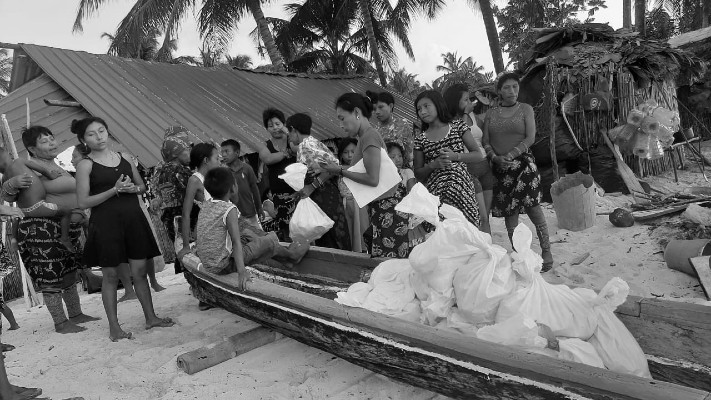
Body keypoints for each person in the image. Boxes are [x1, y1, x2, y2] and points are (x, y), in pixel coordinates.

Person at [73, 117, 173, 341]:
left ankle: (151, 317)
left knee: (139, 272)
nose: (99, 137)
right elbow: (83, 202)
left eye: (102, 131)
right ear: (83, 140)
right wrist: (114, 190)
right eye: (92, 134)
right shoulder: (85, 165)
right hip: (106, 225)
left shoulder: (125, 157)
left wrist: (130, 188)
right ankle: (114, 328)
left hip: (133, 221)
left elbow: (142, 187)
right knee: (110, 276)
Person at [1, 126, 98, 334]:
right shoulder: (29, 168)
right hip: (41, 229)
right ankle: (61, 323)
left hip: (67, 227)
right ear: (32, 149)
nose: (52, 143)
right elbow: (8, 197)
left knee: (70, 272)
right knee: (51, 275)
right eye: (44, 141)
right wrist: (11, 183)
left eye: (52, 138)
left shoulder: (58, 166)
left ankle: (75, 313)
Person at [321, 93, 409, 258]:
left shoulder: (369, 136)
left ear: (356, 112)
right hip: (382, 207)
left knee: (388, 263)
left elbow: (372, 179)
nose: (340, 125)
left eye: (342, 118)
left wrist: (339, 170)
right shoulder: (365, 137)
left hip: (388, 210)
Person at [482, 72, 554, 271]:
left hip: (523, 165)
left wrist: (511, 155)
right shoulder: (490, 114)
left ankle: (546, 251)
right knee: (510, 212)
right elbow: (485, 141)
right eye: (506, 87)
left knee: (533, 207)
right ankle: (520, 255)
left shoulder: (525, 109)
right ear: (499, 91)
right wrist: (495, 158)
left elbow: (530, 137)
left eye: (515, 86)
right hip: (500, 169)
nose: (512, 91)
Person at [195, 168, 309, 291]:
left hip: (210, 264)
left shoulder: (206, 205)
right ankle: (292, 256)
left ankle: (285, 260)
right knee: (269, 240)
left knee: (249, 234)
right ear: (233, 188)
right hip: (224, 265)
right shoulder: (229, 209)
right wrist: (242, 272)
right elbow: (236, 242)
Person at [413, 90, 483, 228]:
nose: (422, 111)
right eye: (419, 109)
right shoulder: (420, 139)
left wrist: (455, 156)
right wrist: (434, 165)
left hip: (462, 193)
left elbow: (478, 155)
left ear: (438, 104)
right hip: (437, 197)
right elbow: (418, 173)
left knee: (467, 235)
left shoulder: (458, 126)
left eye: (427, 106)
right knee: (443, 239)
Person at [287, 113, 350, 250]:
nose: (288, 137)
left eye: (288, 132)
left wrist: (313, 185)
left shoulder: (306, 146)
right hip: (325, 195)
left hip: (324, 196)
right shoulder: (311, 143)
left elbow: (333, 166)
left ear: (293, 129)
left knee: (331, 237)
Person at [443, 83, 493, 233]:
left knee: (486, 217)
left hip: (485, 166)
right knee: (479, 216)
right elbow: (460, 136)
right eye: (465, 100)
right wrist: (465, 113)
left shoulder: (473, 116)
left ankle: (488, 250)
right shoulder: (447, 121)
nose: (469, 103)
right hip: (468, 169)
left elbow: (483, 136)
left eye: (469, 99)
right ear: (455, 101)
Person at [152, 129, 192, 273]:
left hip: (171, 216)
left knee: (180, 246)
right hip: (184, 214)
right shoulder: (178, 169)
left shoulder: (164, 169)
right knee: (190, 247)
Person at [257, 108, 297, 241]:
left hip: (298, 191)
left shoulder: (292, 139)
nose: (275, 128)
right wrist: (286, 153)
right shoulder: (265, 145)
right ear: (266, 128)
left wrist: (288, 133)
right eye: (270, 126)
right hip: (279, 194)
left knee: (302, 224)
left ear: (284, 124)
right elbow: (268, 159)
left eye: (278, 124)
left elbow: (298, 147)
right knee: (285, 226)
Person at [221, 139, 263, 230]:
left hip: (250, 213)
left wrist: (259, 207)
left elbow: (255, 189)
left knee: (259, 238)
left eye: (226, 151)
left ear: (237, 152)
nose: (223, 155)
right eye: (222, 152)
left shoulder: (247, 168)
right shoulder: (223, 172)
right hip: (234, 217)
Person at [337, 138, 368, 252]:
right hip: (344, 206)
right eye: (345, 152)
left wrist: (337, 168)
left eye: (353, 151)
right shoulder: (337, 171)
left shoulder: (363, 168)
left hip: (360, 206)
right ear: (340, 154)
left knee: (361, 231)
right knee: (349, 233)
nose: (349, 155)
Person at [368, 90, 415, 164]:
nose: (377, 112)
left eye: (380, 107)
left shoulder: (402, 125)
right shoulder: (374, 131)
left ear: (390, 106)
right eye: (374, 109)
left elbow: (410, 154)